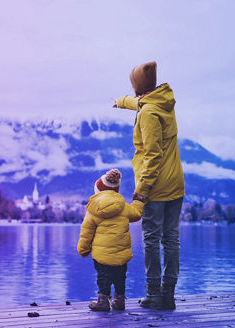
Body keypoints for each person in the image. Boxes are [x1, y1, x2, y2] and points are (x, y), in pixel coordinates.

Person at [112, 61, 185, 310]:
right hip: (176, 183)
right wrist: (122, 101)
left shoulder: (148, 114)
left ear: (138, 87)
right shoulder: (163, 102)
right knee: (172, 238)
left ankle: (154, 293)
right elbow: (142, 103)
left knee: (152, 239)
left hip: (156, 186)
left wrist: (142, 191)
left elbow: (152, 156)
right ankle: (169, 295)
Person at [77, 168, 144, 312]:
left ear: (98, 189)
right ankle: (119, 301)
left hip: (101, 255)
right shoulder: (123, 207)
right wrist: (138, 201)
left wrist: (83, 249)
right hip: (121, 253)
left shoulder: (93, 209)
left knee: (103, 277)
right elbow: (137, 214)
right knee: (120, 277)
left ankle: (103, 301)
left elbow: (86, 231)